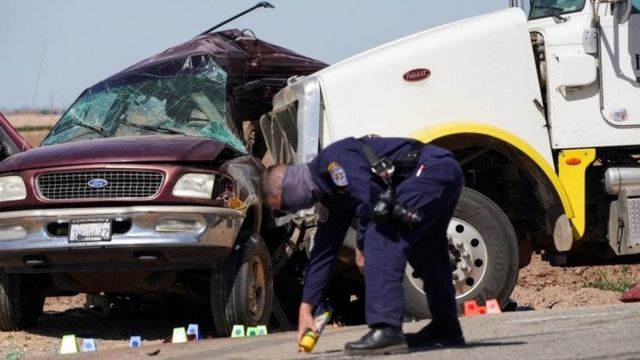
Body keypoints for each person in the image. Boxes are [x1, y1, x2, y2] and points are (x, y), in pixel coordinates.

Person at [262, 136, 465, 356]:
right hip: (440, 171)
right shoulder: (330, 194)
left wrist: (361, 245)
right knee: (427, 251)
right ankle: (446, 326)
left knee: (381, 237)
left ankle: (386, 329)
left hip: (430, 168)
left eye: (282, 207)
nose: (289, 211)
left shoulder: (331, 162)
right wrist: (306, 307)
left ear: (284, 188)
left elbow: (370, 196)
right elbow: (324, 251)